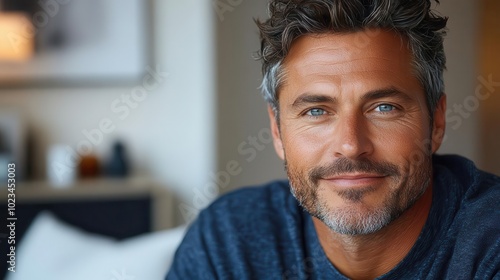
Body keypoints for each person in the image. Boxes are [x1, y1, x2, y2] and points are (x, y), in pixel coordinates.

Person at [166, 0, 500, 279]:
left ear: (436, 121)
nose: (351, 145)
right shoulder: (227, 244)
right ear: (277, 130)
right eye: (316, 111)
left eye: (384, 107)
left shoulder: (489, 245)